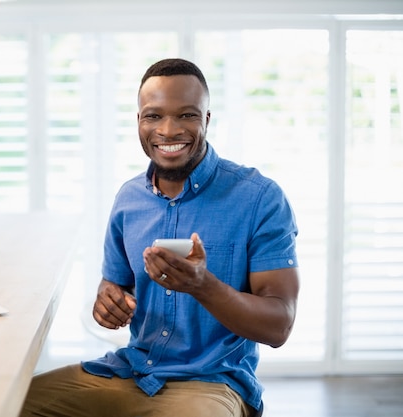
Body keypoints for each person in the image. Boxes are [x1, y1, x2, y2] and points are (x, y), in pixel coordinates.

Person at [20, 58, 299, 417]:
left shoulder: (259, 198)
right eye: (153, 116)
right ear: (139, 120)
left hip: (211, 383)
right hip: (129, 372)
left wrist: (202, 285)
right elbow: (114, 288)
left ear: (207, 120)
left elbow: (279, 326)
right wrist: (108, 304)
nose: (168, 130)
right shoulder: (128, 199)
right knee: (7, 404)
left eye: (186, 115)